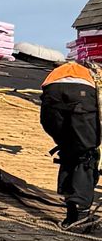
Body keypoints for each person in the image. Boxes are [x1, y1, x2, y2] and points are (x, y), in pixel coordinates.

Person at [39, 57, 101, 231]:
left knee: (69, 150)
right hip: (81, 94)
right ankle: (79, 215)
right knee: (86, 155)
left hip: (52, 95)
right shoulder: (95, 76)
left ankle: (71, 209)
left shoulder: (69, 69)